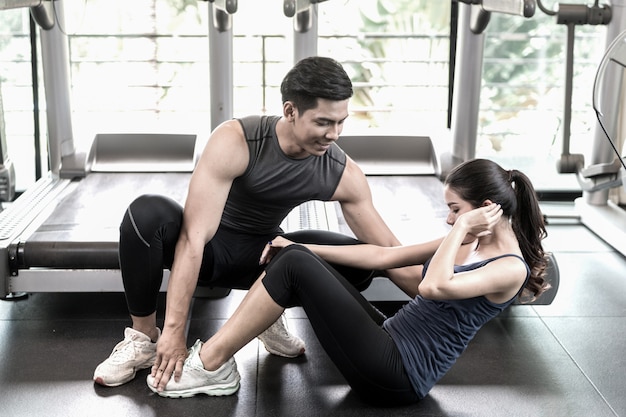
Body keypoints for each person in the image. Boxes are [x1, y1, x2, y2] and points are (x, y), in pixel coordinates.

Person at [93, 56, 424, 387]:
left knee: (358, 260)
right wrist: (175, 331)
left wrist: (452, 307)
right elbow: (193, 238)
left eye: (341, 123)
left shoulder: (340, 171)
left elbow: (390, 251)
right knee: (146, 215)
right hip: (209, 251)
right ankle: (143, 339)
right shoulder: (238, 140)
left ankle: (265, 311)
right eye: (324, 122)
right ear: (291, 111)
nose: (334, 134)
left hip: (263, 259)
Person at [145, 158, 551, 406]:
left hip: (399, 376)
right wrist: (299, 246)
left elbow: (432, 288)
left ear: (484, 210)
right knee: (296, 256)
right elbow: (384, 256)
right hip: (389, 340)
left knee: (294, 266)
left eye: (455, 209)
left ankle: (212, 364)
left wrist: (460, 227)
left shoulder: (509, 268)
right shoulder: (468, 239)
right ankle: (236, 343)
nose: (449, 218)